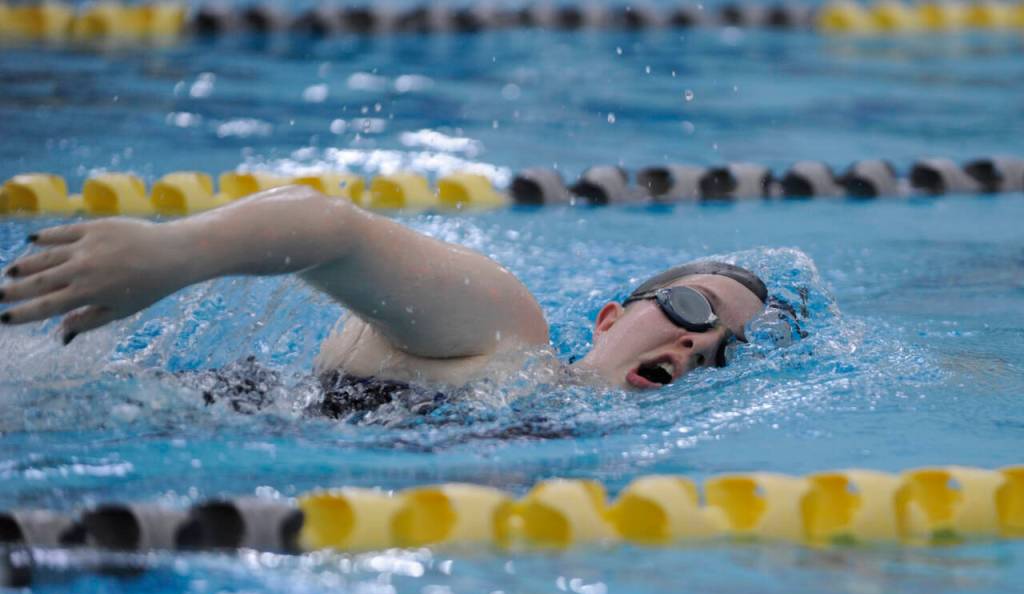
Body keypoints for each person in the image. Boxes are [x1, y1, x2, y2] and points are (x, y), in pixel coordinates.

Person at [0, 185, 770, 411]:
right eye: (695, 311)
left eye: (724, 353)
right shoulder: (508, 338)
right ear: (610, 317)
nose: (698, 345)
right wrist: (169, 254)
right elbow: (332, 227)